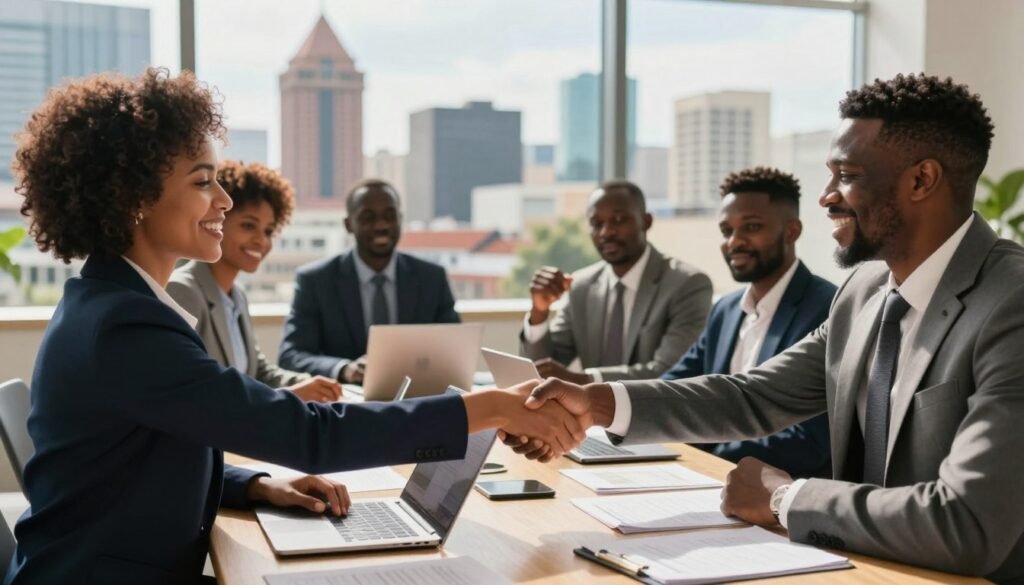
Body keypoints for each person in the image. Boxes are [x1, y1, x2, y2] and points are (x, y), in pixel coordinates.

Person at [6, 69, 583, 584]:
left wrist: (256, 486)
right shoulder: (123, 326)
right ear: (133, 197)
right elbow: (310, 434)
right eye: (203, 180)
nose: (225, 199)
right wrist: (492, 408)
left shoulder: (114, 301)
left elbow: (150, 453)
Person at [518, 74, 1024, 581]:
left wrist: (784, 499)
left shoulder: (1011, 303)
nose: (826, 197)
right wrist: (600, 403)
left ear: (921, 180)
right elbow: (754, 396)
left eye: (846, 175)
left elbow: (968, 523)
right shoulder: (864, 291)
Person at [660, 167, 835, 478]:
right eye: (727, 231)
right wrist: (602, 404)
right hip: (709, 482)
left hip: (780, 498)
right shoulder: (725, 309)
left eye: (751, 227)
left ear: (792, 231)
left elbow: (811, 441)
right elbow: (674, 389)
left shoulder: (828, 308)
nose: (734, 242)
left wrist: (708, 451)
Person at [167, 160, 341, 403]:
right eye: (249, 226)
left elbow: (258, 372)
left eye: (269, 231)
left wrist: (308, 384)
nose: (261, 241)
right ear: (218, 221)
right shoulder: (183, 292)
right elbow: (194, 394)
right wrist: (289, 395)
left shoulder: (236, 295)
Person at [519, 180, 712, 383]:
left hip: (653, 413)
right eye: (596, 223)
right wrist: (539, 312)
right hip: (590, 414)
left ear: (646, 222)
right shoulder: (581, 286)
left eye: (619, 220)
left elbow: (671, 372)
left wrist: (585, 380)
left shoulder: (687, 284)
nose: (606, 232)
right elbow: (543, 370)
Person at [278, 179, 459, 383]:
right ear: (348, 225)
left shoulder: (432, 279)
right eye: (368, 217)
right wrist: (344, 369)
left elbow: (455, 352)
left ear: (400, 219)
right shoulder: (315, 281)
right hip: (345, 406)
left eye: (390, 216)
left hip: (418, 401)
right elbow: (291, 356)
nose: (381, 225)